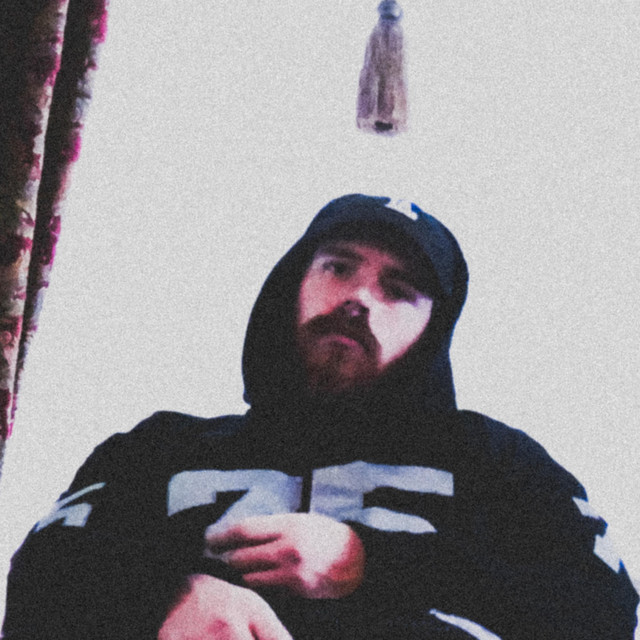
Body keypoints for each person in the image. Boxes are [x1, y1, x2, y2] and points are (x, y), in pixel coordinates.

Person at [3, 194, 638, 639]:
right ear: (293, 285)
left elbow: (604, 612)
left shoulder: (499, 465)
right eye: (338, 267)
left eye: (398, 290)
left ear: (432, 331)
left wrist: (374, 564)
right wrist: (161, 598)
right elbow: (38, 587)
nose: (360, 298)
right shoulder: (159, 449)